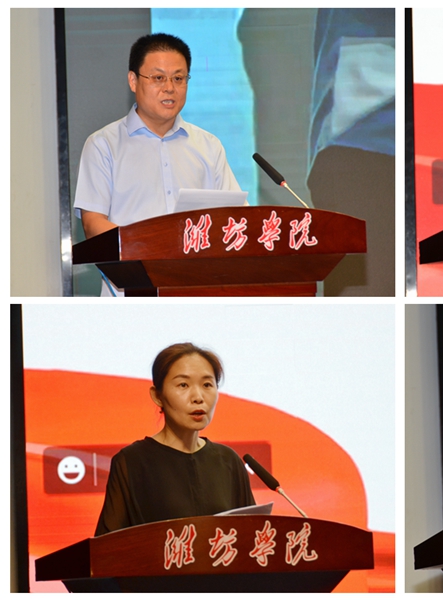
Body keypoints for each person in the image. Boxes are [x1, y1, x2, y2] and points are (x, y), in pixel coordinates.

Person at [73, 33, 241, 295]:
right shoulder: (103, 144)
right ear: (133, 80)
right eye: (158, 78)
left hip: (199, 289)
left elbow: (235, 217)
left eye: (178, 78)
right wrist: (151, 248)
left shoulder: (208, 146)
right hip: (131, 292)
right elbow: (93, 223)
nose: (170, 88)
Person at [95, 343, 254, 535]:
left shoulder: (228, 461)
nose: (198, 397)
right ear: (157, 396)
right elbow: (107, 546)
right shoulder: (131, 462)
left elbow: (252, 535)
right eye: (183, 385)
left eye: (207, 385)